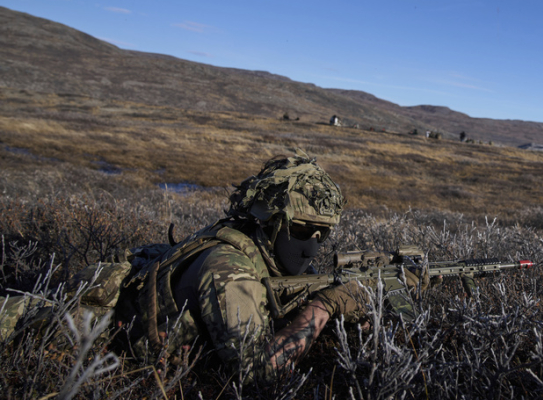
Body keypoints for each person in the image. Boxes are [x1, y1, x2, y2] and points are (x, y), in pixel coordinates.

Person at [1, 151, 424, 382]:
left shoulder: (243, 235)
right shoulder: (229, 270)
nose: (313, 246)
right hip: (70, 353)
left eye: (323, 234)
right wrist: (323, 308)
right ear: (269, 220)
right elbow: (259, 372)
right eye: (302, 229)